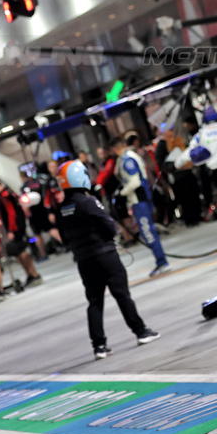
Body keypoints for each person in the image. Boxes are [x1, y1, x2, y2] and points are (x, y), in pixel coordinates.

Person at [53, 161, 160, 359]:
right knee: (121, 295)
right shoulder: (88, 201)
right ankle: (141, 331)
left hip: (83, 260)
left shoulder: (61, 208)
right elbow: (109, 226)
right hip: (104, 255)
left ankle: (99, 346)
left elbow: (64, 238)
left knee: (94, 301)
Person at [113, 132, 172, 276]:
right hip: (139, 200)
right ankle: (160, 261)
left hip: (140, 200)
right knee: (147, 232)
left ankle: (162, 262)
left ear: (115, 148)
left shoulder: (128, 159)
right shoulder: (128, 157)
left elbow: (135, 182)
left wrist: (122, 193)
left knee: (148, 232)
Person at [0, 179, 42, 285]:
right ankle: (30, 274)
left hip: (16, 227)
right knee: (17, 252)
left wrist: (11, 230)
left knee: (20, 251)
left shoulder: (5, 195)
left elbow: (11, 213)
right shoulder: (8, 193)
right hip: (18, 226)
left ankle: (34, 273)